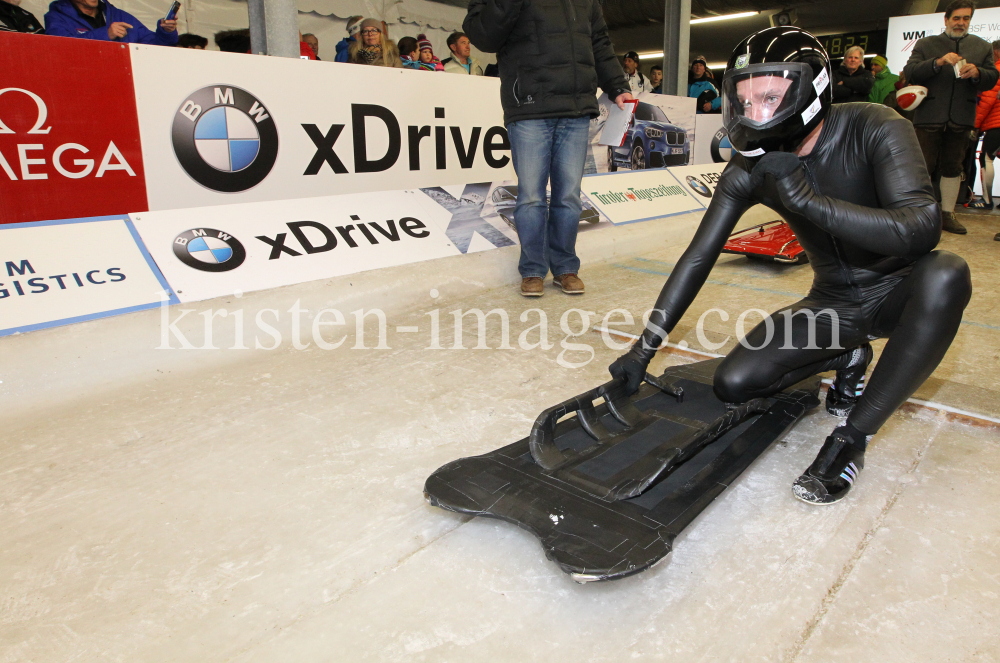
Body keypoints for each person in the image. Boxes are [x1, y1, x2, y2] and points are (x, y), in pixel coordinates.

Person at [610, 26, 971, 506]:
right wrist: (643, 350)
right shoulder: (748, 168)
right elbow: (698, 256)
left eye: (771, 96)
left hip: (902, 290)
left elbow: (921, 228)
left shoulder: (876, 125)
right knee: (734, 383)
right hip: (833, 303)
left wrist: (812, 203)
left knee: (947, 271)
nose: (757, 113)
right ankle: (848, 356)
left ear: (810, 89)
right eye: (746, 100)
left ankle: (852, 438)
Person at [464, 0, 632, 297]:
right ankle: (532, 270)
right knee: (531, 196)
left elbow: (599, 43)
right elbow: (483, 36)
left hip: (576, 108)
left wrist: (618, 86)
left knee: (568, 196)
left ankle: (566, 268)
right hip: (528, 106)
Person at [904, 0, 999, 235]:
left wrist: (978, 73)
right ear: (946, 19)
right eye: (956, 18)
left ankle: (948, 214)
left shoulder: (982, 46)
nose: (961, 23)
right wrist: (937, 62)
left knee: (953, 167)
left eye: (966, 18)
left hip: (962, 116)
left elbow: (992, 77)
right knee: (921, 166)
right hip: (928, 115)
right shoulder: (927, 44)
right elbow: (911, 71)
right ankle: (916, 213)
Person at [45, 0, 177, 45]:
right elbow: (61, 49)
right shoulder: (56, 17)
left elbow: (151, 46)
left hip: (125, 83)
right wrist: (106, 34)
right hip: (82, 85)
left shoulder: (118, 15)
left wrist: (166, 32)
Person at [969, 40, 1000, 221]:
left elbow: (987, 100)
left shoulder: (995, 72)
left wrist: (976, 124)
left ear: (995, 52)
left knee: (986, 158)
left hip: (996, 124)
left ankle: (987, 200)